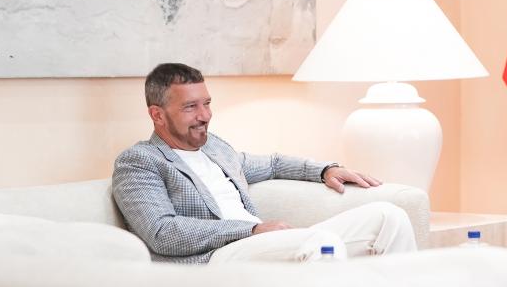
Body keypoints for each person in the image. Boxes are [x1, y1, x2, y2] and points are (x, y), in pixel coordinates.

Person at [112, 63, 417, 264]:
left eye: (206, 103)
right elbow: (163, 233)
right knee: (320, 244)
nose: (205, 115)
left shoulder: (215, 147)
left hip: (254, 244)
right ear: (157, 115)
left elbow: (272, 164)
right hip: (213, 259)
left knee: (388, 216)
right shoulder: (139, 162)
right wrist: (251, 230)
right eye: (191, 107)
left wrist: (324, 170)